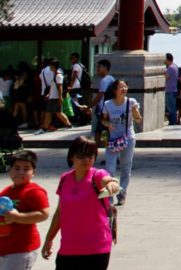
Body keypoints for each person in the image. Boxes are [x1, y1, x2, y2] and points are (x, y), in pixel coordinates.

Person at [42, 137, 119, 269]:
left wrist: (113, 183)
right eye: (81, 155)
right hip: (68, 247)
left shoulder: (98, 175)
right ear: (72, 157)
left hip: (96, 247)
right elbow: (60, 212)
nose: (86, 159)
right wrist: (49, 239)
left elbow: (108, 180)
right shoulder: (65, 179)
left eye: (90, 155)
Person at [0, 149, 50, 269]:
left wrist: (17, 217)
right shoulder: (6, 191)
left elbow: (44, 214)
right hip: (5, 248)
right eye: (17, 168)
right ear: (9, 170)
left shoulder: (34, 191)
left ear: (33, 172)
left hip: (21, 249)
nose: (21, 172)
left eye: (26, 169)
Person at [99, 80, 141, 206]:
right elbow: (103, 120)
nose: (124, 89)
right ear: (114, 90)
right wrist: (108, 124)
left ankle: (122, 193)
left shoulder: (131, 102)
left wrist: (135, 113)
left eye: (125, 86)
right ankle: (110, 195)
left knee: (125, 168)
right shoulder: (108, 104)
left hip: (128, 138)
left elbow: (139, 120)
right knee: (110, 169)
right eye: (121, 87)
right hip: (112, 140)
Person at [37, 59, 70, 134]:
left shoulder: (58, 75)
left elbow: (60, 87)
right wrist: (49, 94)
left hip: (55, 98)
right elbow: (54, 87)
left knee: (48, 113)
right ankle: (68, 125)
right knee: (58, 113)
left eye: (51, 66)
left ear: (53, 66)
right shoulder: (55, 75)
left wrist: (60, 97)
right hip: (53, 96)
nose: (50, 67)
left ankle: (44, 128)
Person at [90, 61, 114, 139]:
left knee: (100, 129)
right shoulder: (111, 78)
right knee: (103, 129)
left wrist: (89, 106)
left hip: (102, 109)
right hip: (108, 108)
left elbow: (99, 96)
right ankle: (104, 144)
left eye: (99, 67)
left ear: (105, 68)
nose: (97, 69)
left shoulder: (104, 81)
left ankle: (100, 145)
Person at [163, 54, 179, 126]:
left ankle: (173, 123)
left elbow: (166, 77)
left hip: (170, 90)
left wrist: (163, 72)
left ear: (167, 59)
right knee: (173, 108)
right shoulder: (175, 66)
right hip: (174, 89)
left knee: (171, 108)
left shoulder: (170, 68)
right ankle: (173, 122)